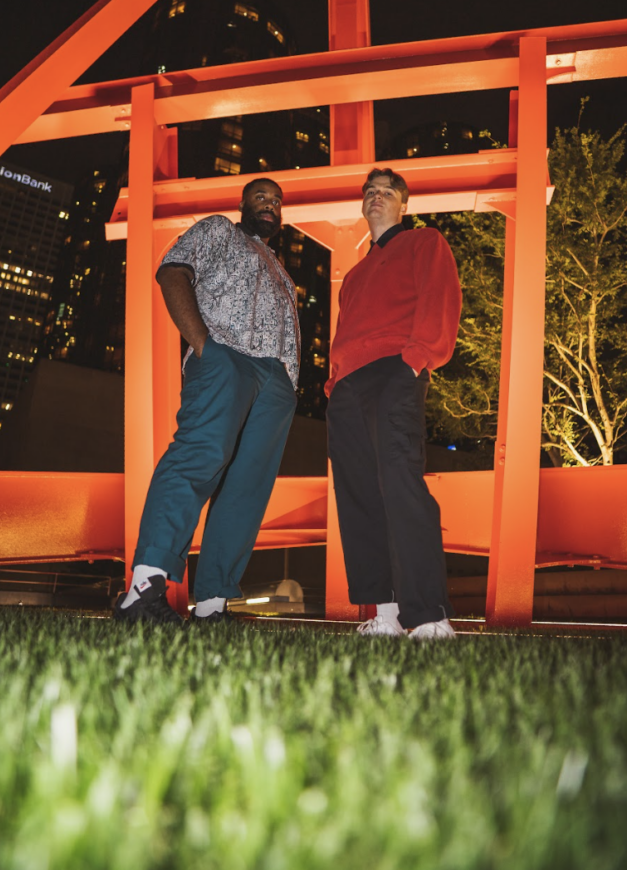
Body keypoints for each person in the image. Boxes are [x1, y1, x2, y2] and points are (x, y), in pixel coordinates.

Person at [115, 178, 299, 625]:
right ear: (243, 203)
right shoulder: (218, 229)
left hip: (276, 381)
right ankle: (144, 588)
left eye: (276, 200)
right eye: (261, 196)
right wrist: (205, 347)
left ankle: (213, 605)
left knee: (246, 488)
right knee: (198, 457)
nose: (270, 204)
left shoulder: (282, 269)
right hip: (225, 357)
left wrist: (289, 382)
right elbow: (172, 270)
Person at [325, 168, 462, 640]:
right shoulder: (354, 275)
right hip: (347, 386)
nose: (376, 197)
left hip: (395, 370)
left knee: (401, 481)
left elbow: (440, 299)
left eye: (386, 192)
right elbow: (345, 330)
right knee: (358, 495)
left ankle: (428, 614)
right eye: (370, 192)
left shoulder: (425, 242)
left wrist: (416, 360)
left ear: (404, 204)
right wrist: (334, 382)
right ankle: (385, 613)